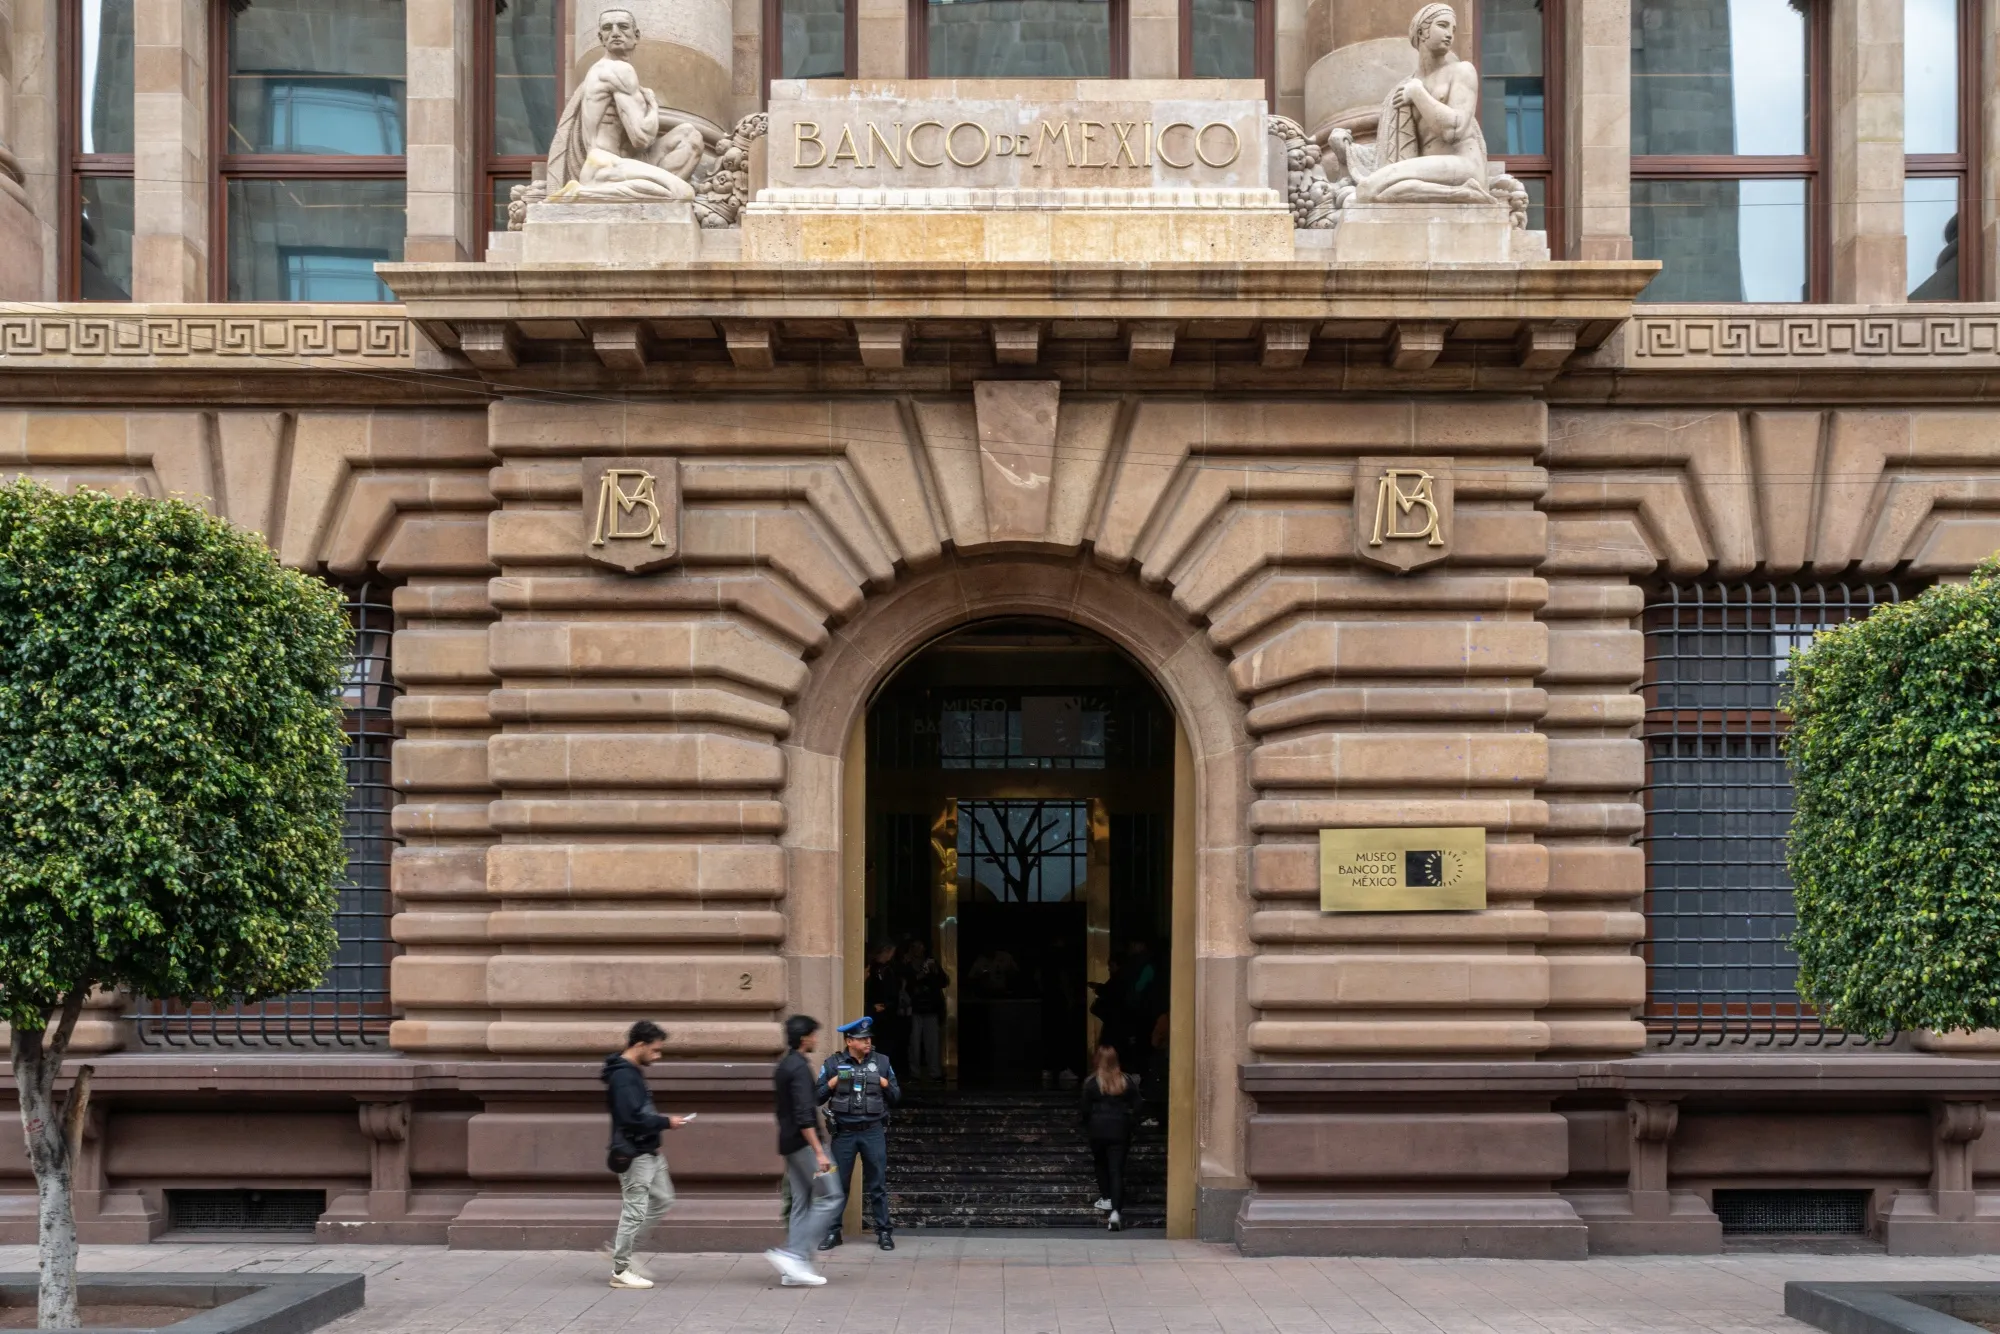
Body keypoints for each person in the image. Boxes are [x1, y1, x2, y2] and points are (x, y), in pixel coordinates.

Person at [600, 1020, 690, 1289]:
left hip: (648, 1149)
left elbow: (640, 1112)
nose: (657, 1056)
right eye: (655, 1050)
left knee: (663, 1198)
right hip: (634, 1152)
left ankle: (622, 1252)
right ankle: (621, 1269)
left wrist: (656, 1137)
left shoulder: (631, 1072)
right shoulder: (623, 1076)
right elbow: (630, 1118)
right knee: (635, 1211)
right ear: (639, 1045)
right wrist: (666, 1122)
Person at [767, 1014, 844, 1287]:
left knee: (802, 1202)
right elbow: (804, 1114)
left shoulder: (784, 1065)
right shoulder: (799, 1067)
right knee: (832, 1196)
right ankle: (794, 1254)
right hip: (807, 1145)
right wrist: (820, 1152)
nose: (815, 1039)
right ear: (804, 1038)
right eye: (813, 1035)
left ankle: (792, 1271)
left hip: (790, 1144)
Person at [816, 1016, 900, 1251]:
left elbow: (896, 1097)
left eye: (869, 1038)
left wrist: (884, 1083)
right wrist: (832, 1083)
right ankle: (833, 1233)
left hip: (872, 1131)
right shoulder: (833, 1063)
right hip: (844, 1133)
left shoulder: (882, 1062)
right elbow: (816, 1096)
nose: (868, 1042)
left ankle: (884, 1232)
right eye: (863, 1039)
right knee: (838, 1185)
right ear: (850, 1041)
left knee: (877, 1185)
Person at [1079, 1042, 1143, 1233]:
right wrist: (1131, 1120)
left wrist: (1087, 1123)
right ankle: (1115, 1212)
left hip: (1098, 1129)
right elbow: (1139, 1103)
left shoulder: (1091, 1082)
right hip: (1120, 1129)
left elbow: (1084, 1109)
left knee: (1100, 1162)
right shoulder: (1126, 1081)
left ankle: (1106, 1197)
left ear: (1097, 1059)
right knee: (1116, 1171)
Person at [904, 941, 947, 1082]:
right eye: (917, 947)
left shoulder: (932, 963)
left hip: (931, 1007)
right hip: (914, 1007)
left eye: (922, 947)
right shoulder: (907, 964)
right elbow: (907, 984)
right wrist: (921, 975)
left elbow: (945, 982)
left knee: (932, 1042)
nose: (920, 950)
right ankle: (914, 1073)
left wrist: (935, 971)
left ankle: (935, 1071)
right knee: (914, 1043)